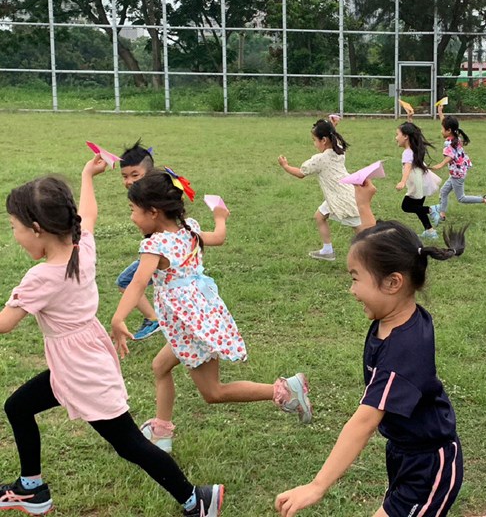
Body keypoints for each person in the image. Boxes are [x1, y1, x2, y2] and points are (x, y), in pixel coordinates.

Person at [0, 157, 223, 517]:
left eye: (14, 226)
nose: (13, 233)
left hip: (81, 370)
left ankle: (196, 500)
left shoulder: (42, 277)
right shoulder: (81, 248)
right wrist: (87, 175)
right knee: (19, 407)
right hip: (81, 356)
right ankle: (32, 488)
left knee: (129, 444)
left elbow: (5, 323)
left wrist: (87, 176)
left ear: (37, 228)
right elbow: (88, 214)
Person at [110, 169, 311, 455]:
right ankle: (161, 431)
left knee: (213, 392)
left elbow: (138, 282)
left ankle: (284, 390)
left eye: (133, 210)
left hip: (191, 326)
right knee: (160, 367)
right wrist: (220, 216)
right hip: (198, 319)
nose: (131, 217)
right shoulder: (188, 230)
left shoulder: (154, 245)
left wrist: (118, 318)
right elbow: (217, 237)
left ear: (153, 212)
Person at [275, 221, 466, 517]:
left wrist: (317, 485)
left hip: (429, 466)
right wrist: (364, 203)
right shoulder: (396, 313)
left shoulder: (402, 352)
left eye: (355, 279)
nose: (351, 290)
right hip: (405, 452)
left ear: (393, 283)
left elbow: (364, 422)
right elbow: (379, 247)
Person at [279, 119, 362, 261]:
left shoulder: (321, 159)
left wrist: (285, 166)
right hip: (339, 194)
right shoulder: (338, 149)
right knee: (319, 216)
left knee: (361, 231)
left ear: (324, 140)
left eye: (314, 140)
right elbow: (332, 135)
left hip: (343, 197)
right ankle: (327, 251)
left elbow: (300, 173)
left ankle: (377, 254)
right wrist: (332, 126)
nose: (314, 143)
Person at [117, 140, 160, 341]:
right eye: (125, 176)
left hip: (159, 253)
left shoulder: (153, 199)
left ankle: (153, 319)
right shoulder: (148, 194)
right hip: (163, 251)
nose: (129, 181)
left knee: (126, 281)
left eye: (135, 175)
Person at [430, 115, 486, 222]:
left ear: (449, 130)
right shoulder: (456, 138)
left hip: (457, 175)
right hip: (458, 172)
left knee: (461, 198)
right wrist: (440, 112)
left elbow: (450, 156)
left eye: (442, 129)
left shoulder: (449, 144)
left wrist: (440, 165)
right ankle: (442, 215)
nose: (441, 131)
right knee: (443, 192)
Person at [395, 122, 441, 239]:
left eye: (397, 134)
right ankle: (430, 231)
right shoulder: (414, 150)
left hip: (416, 183)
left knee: (406, 206)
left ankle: (431, 209)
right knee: (418, 207)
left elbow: (407, 167)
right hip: (422, 180)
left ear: (405, 136)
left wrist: (402, 181)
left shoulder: (407, 152)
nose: (396, 138)